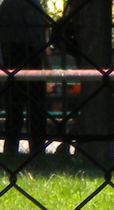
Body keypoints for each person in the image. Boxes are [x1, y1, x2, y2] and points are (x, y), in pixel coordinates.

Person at [0, 0, 48, 155]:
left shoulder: (7, 5)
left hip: (11, 57)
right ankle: (37, 148)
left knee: (14, 107)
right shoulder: (31, 4)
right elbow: (37, 35)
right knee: (36, 107)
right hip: (30, 55)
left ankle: (11, 147)